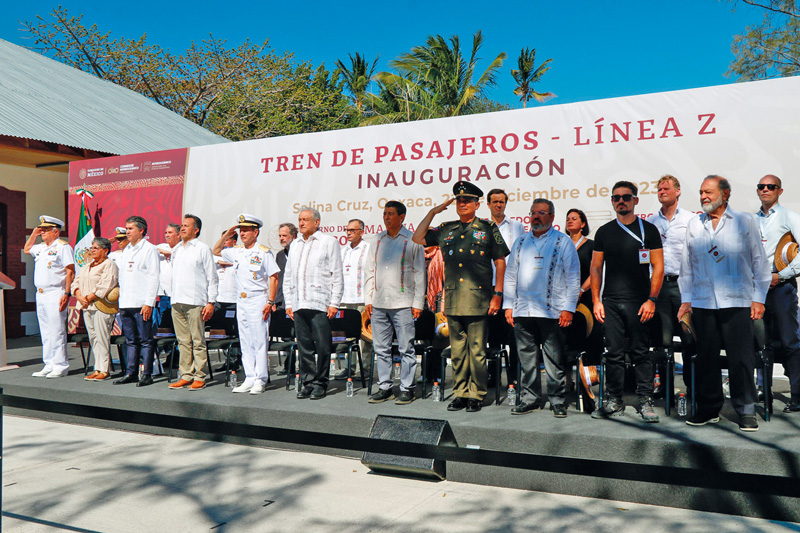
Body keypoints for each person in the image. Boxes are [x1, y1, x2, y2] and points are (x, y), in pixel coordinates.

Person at [680, 176, 771, 431]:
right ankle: (709, 409)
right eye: (701, 192)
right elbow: (686, 267)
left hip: (737, 301)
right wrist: (686, 300)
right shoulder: (694, 225)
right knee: (707, 358)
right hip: (703, 302)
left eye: (708, 192)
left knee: (740, 358)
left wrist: (758, 298)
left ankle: (746, 410)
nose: (703, 197)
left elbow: (759, 263)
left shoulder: (744, 221)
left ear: (725, 194)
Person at [413, 182, 509, 413]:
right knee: (457, 351)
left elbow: (500, 260)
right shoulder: (447, 228)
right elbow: (418, 237)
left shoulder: (487, 228)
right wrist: (433, 212)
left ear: (477, 204)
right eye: (459, 200)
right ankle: (460, 393)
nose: (462, 204)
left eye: (467, 200)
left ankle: (476, 394)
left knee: (476, 350)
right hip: (454, 299)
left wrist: (498, 294)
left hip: (478, 299)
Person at [590, 181, 664, 422]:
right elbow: (596, 268)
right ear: (612, 201)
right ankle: (614, 400)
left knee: (641, 353)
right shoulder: (604, 232)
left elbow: (658, 267)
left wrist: (652, 299)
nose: (621, 201)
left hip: (640, 302)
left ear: (635, 201)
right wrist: (596, 301)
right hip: (610, 302)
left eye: (626, 197)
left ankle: (645, 400)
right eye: (616, 198)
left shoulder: (649, 230)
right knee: (613, 354)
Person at [504, 199, 580, 417]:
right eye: (533, 213)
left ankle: (557, 400)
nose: (536, 217)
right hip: (523, 311)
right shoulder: (520, 242)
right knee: (527, 359)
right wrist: (508, 306)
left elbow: (574, 277)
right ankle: (530, 398)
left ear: (552, 217)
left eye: (542, 213)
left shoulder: (563, 242)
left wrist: (568, 309)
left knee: (554, 358)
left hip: (552, 311)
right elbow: (510, 276)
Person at [365, 201, 426, 405]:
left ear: (402, 217)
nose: (386, 217)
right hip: (379, 302)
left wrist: (418, 302)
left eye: (391, 214)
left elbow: (419, 272)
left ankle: (407, 388)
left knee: (405, 348)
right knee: (381, 348)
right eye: (384, 213)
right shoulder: (377, 239)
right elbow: (369, 271)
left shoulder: (412, 239)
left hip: (403, 303)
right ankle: (384, 387)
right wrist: (368, 299)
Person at [213, 214, 280, 395]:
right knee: (245, 341)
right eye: (240, 230)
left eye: (246, 230)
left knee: (259, 340)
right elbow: (216, 250)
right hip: (240, 300)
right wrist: (228, 233)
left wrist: (270, 301)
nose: (242, 233)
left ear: (255, 232)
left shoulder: (263, 252)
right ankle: (249, 377)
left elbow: (274, 278)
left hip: (258, 299)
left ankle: (261, 379)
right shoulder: (237, 251)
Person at [284, 207, 344, 400]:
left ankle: (321, 382)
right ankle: (308, 382)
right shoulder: (295, 244)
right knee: (304, 346)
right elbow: (288, 275)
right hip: (299, 302)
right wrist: (288, 303)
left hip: (320, 302)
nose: (301, 223)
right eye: (299, 220)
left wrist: (334, 302)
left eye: (305, 220)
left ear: (316, 222)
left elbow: (337, 274)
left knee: (323, 346)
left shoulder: (328, 242)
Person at [646, 175, 697, 393]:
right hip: (659, 286)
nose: (662, 192)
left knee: (688, 339)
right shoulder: (650, 222)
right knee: (663, 341)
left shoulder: (691, 219)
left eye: (666, 188)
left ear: (678, 191)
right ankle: (665, 390)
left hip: (684, 286)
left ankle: (692, 388)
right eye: (659, 189)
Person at [754, 174, 800, 413]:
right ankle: (764, 389)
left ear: (779, 191)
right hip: (758, 287)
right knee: (763, 342)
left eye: (770, 187)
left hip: (782, 286)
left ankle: (798, 394)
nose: (765, 190)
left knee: (791, 340)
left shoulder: (790, 217)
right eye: (761, 186)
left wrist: (781, 276)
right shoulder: (751, 220)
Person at [168, 214, 218, 391]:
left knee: (197, 341)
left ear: (196, 230)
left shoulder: (202, 248)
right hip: (177, 301)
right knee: (183, 341)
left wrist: (211, 301)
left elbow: (212, 277)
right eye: (181, 225)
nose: (182, 228)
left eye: (186, 226)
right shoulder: (177, 250)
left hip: (196, 301)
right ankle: (186, 375)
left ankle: (200, 376)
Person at [23, 216, 75, 378]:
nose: (42, 232)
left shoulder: (62, 247)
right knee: (45, 331)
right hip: (41, 294)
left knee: (56, 330)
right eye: (41, 229)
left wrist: (67, 293)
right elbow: (26, 249)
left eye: (46, 230)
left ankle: (60, 365)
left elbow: (70, 271)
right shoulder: (40, 248)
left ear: (56, 231)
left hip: (56, 293)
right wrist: (33, 234)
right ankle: (49, 363)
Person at [115, 216, 160, 386]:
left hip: (141, 303)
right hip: (126, 302)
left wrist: (149, 302)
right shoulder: (127, 249)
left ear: (141, 230)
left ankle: (147, 374)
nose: (127, 232)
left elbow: (153, 277)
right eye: (126, 229)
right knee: (130, 340)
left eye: (130, 229)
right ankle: (131, 372)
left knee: (146, 340)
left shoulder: (149, 249)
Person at [486, 188, 525, 385]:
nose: (499, 205)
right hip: (488, 288)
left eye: (502, 202)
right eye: (495, 202)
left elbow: (521, 257)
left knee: (514, 337)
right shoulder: (482, 227)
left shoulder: (517, 227)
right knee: (492, 336)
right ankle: (492, 377)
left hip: (512, 289)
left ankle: (514, 378)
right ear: (488, 204)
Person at [72, 237, 119, 381]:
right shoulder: (87, 266)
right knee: (93, 337)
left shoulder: (109, 264)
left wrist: (89, 297)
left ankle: (104, 369)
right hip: (86, 305)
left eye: (96, 248)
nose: (92, 250)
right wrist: (79, 296)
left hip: (101, 306)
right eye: (92, 248)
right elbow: (76, 282)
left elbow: (106, 284)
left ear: (105, 251)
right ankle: (97, 367)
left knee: (102, 336)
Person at [335, 218, 372, 379]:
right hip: (345, 300)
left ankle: (366, 369)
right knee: (347, 336)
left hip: (363, 300)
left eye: (352, 230)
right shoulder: (343, 251)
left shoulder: (368, 249)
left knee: (365, 337)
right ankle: (349, 368)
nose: (348, 233)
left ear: (361, 232)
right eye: (347, 230)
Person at [274, 222, 297, 376]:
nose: (281, 239)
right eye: (280, 236)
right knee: (286, 335)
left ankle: (303, 366)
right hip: (282, 302)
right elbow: (277, 279)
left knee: (300, 335)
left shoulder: (300, 253)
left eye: (284, 236)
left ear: (293, 236)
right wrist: (275, 301)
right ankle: (289, 364)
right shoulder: (280, 256)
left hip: (298, 301)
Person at [565, 209, 594, 308]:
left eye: (574, 219)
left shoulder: (591, 245)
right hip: (564, 297)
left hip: (584, 296)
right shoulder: (561, 245)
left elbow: (595, 272)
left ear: (582, 224)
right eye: (568, 219)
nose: (570, 221)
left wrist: (580, 291)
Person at [154, 223, 181, 328]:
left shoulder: (182, 248)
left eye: (170, 232)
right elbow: (149, 249)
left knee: (178, 325)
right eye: (166, 232)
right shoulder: (161, 246)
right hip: (164, 294)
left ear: (178, 235)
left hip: (178, 294)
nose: (167, 235)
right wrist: (162, 251)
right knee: (164, 326)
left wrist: (170, 254)